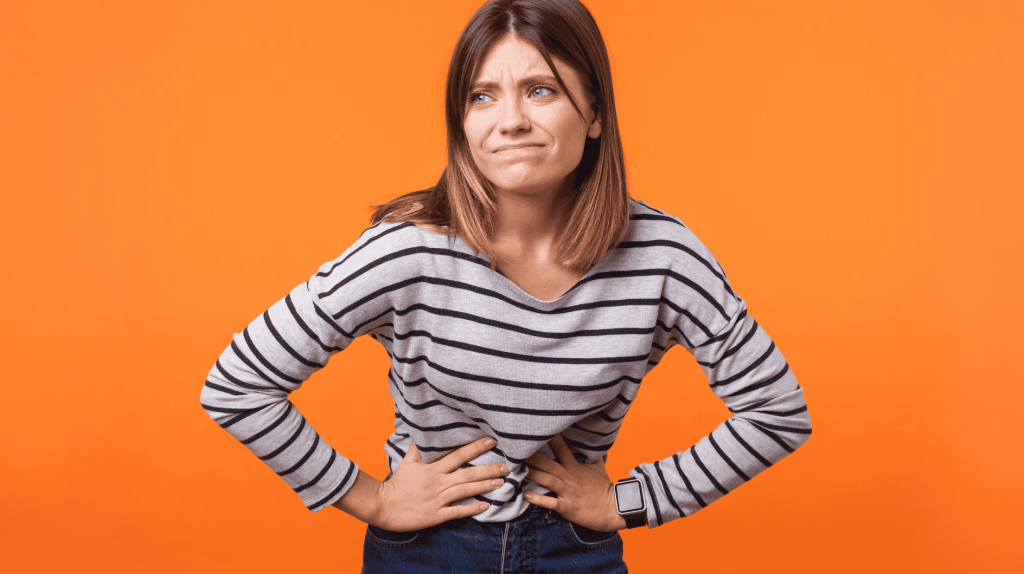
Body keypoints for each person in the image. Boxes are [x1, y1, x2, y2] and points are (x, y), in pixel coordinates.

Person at [199, 0, 813, 571]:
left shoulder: (664, 256)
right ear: (461, 123)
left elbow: (776, 412)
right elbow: (237, 385)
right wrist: (373, 501)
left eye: (540, 90)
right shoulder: (409, 249)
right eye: (482, 97)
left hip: (578, 550)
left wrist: (629, 501)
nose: (511, 121)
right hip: (425, 551)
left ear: (595, 112)